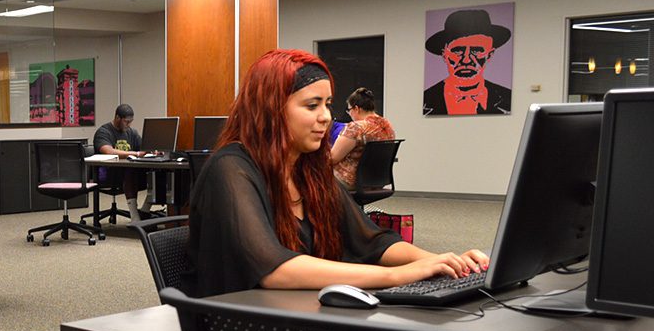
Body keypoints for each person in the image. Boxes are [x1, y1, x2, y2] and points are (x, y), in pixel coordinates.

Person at [181, 49, 488, 298]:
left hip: (301, 316)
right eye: (312, 105)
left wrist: (441, 262)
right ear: (271, 109)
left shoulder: (309, 170)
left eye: (327, 104)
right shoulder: (231, 168)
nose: (326, 117)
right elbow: (272, 269)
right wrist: (395, 276)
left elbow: (372, 241)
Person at [423, 9, 511, 116]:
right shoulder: (427, 99)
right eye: (458, 51)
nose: (466, 60)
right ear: (444, 55)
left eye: (477, 51)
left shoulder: (507, 97)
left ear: (489, 54)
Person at [93, 104, 153, 221]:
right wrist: (134, 154)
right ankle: (135, 218)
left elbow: (143, 148)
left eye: (131, 121)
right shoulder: (104, 132)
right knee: (130, 170)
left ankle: (144, 210)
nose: (129, 124)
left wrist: (152, 150)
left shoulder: (132, 133)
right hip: (108, 174)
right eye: (126, 121)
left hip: (128, 172)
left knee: (156, 173)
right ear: (117, 118)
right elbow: (108, 151)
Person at [331, 88, 395, 189]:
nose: (349, 114)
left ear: (356, 108)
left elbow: (332, 158)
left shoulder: (356, 127)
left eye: (349, 110)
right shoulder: (388, 127)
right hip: (377, 181)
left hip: (349, 181)